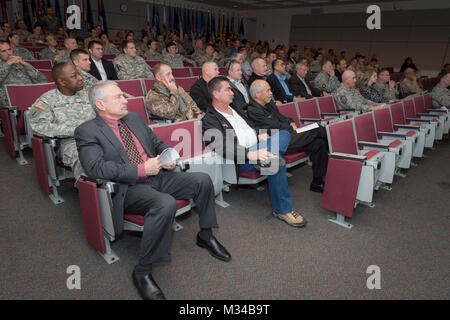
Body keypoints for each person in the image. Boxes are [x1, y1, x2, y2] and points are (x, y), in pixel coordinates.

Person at [75, 80, 230, 300]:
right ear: (100, 104)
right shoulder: (87, 131)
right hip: (128, 186)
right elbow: (95, 168)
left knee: (202, 180)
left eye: (123, 95)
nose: (125, 100)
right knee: (164, 203)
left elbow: (157, 144)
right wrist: (140, 169)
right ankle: (143, 270)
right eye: (118, 97)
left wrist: (168, 155)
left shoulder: (134, 119)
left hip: (158, 175)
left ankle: (205, 235)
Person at [201, 76, 307, 228]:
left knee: (284, 134)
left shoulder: (235, 108)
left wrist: (258, 134)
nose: (232, 92)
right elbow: (220, 146)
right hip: (243, 158)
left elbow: (250, 127)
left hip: (260, 147)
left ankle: (266, 159)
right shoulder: (209, 119)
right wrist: (249, 154)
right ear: (216, 94)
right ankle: (283, 210)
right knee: (276, 163)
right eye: (228, 89)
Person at [246, 80, 328, 192]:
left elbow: (283, 118)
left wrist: (291, 122)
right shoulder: (253, 110)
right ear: (257, 94)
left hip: (289, 136)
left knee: (319, 143)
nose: (271, 93)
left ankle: (318, 182)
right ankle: (337, 155)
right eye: (268, 90)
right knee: (317, 129)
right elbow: (273, 126)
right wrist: (290, 127)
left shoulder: (269, 104)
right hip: (278, 143)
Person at [29, 63, 95, 180]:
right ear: (62, 82)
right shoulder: (47, 100)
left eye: (79, 74)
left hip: (96, 137)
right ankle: (95, 191)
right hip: (69, 143)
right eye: (74, 76)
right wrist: (76, 131)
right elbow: (39, 126)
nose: (80, 78)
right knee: (85, 156)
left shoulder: (88, 95)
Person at [0, 40, 47, 108]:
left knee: (47, 108)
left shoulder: (18, 63)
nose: (9, 53)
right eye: (4, 51)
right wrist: (8, 64)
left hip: (32, 98)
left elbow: (42, 80)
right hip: (14, 103)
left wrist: (24, 64)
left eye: (9, 49)